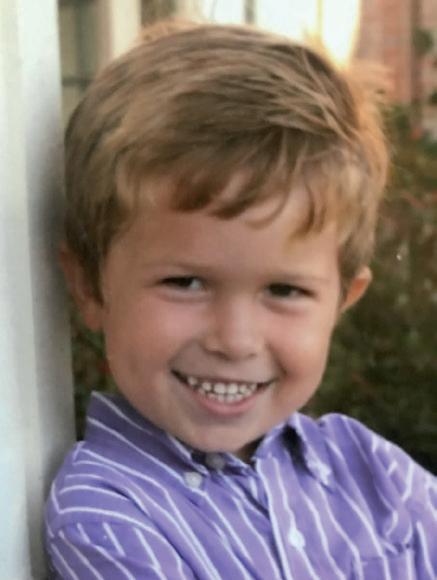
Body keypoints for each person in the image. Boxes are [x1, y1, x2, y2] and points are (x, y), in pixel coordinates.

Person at [44, 20, 437, 579]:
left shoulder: (373, 470)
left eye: (284, 290)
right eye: (186, 283)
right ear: (89, 286)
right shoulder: (109, 519)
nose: (235, 340)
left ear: (342, 301)